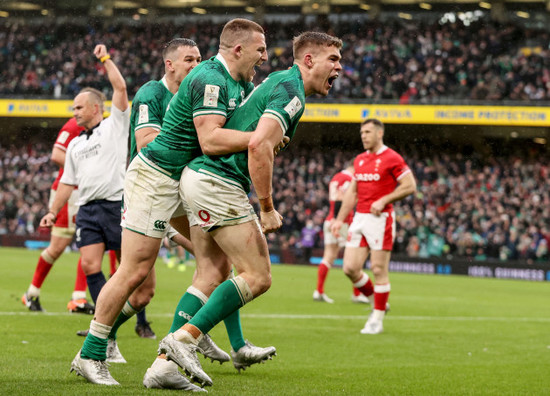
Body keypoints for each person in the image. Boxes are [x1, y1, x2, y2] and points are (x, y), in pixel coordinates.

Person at [69, 25, 270, 388]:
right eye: (188, 60)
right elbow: (149, 141)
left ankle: (182, 342)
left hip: (183, 182)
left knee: (217, 266)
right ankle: (91, 352)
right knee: (135, 270)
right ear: (170, 65)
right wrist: (247, 138)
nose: (195, 64)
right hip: (155, 179)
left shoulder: (227, 84)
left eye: (198, 58)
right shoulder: (156, 91)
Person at [165, 31, 342, 388]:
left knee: (212, 273)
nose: (339, 67)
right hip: (218, 182)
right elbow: (259, 146)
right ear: (309, 60)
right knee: (258, 275)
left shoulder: (280, 83)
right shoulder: (290, 92)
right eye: (333, 60)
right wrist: (267, 208)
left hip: (202, 179)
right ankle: (183, 339)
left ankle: (164, 366)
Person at [38, 44, 131, 382]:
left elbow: (120, 88)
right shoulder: (75, 144)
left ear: (95, 107)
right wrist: (52, 211)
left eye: (78, 107)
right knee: (91, 265)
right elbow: (67, 181)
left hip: (116, 205)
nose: (73, 112)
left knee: (134, 275)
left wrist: (105, 60)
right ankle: (108, 337)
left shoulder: (115, 126)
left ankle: (136, 321)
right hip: (88, 211)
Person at [331, 118, 416, 334]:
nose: (364, 136)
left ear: (380, 133)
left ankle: (376, 319)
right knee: (350, 268)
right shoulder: (359, 160)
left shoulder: (392, 158)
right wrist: (339, 219)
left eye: (368, 132)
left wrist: (385, 200)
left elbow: (410, 185)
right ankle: (377, 302)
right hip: (360, 217)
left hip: (381, 219)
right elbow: (352, 193)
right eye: (362, 132)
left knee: (378, 269)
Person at [21, 117, 94, 315]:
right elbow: (56, 154)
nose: (77, 111)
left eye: (80, 108)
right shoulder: (73, 125)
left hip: (90, 191)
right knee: (57, 248)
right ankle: (31, 292)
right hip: (68, 193)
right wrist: (85, 168)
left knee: (91, 244)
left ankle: (78, 298)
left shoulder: (102, 127)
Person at [313, 164, 370, 304]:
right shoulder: (348, 178)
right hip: (342, 222)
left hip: (330, 220)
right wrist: (338, 220)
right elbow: (340, 197)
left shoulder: (336, 177)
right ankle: (357, 294)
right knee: (355, 256)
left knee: (329, 257)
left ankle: (319, 291)